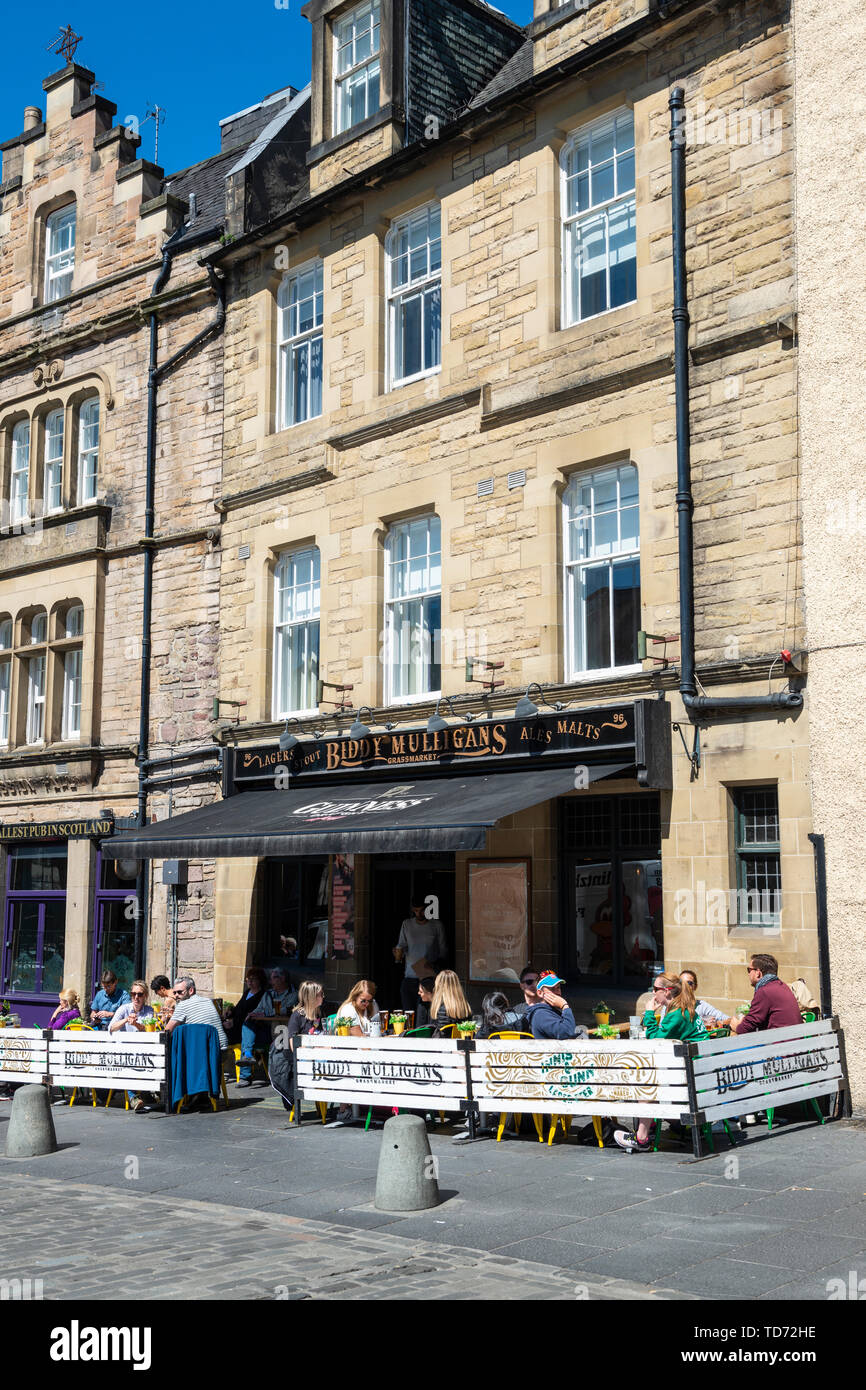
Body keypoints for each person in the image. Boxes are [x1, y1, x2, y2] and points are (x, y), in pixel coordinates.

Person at [614, 973, 709, 1152]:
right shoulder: (683, 1009)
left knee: (647, 1085)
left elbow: (655, 1040)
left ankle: (641, 1138)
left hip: (692, 1081)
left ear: (666, 992)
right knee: (651, 1079)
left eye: (655, 989)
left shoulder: (677, 1014)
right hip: (700, 1074)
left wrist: (649, 1013)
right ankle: (654, 1128)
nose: (653, 994)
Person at [394, 896, 448, 1013]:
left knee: (424, 1015)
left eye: (422, 910)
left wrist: (433, 965)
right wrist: (398, 954)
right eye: (416, 910)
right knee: (408, 1014)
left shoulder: (436, 925)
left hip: (428, 978)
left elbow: (443, 952)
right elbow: (401, 946)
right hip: (410, 976)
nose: (419, 913)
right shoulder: (407, 924)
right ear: (413, 910)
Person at [109, 980, 156, 1113]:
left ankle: (145, 1092)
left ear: (145, 996)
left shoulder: (149, 1011)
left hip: (141, 1052)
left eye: (140, 994)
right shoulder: (124, 1009)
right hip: (123, 1052)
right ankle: (133, 1097)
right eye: (133, 993)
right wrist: (126, 1020)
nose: (136, 997)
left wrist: (136, 1024)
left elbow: (148, 1030)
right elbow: (111, 1028)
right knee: (128, 1061)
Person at [731, 954, 802, 1034]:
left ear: (758, 973)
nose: (748, 974)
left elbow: (746, 1028)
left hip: (781, 1043)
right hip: (792, 1039)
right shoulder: (781, 986)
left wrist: (736, 1026)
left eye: (749, 970)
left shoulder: (765, 991)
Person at [231, 966, 270, 1087]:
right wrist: (230, 1013)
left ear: (260, 980)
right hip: (238, 1026)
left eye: (253, 979)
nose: (249, 981)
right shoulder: (247, 992)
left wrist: (234, 1022)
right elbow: (238, 1010)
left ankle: (245, 1075)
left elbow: (255, 1014)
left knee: (246, 1031)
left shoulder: (263, 995)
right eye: (248, 979)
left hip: (255, 1028)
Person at [165, 976, 228, 1049]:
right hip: (222, 1046)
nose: (176, 995)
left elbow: (167, 1031)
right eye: (174, 992)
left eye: (179, 992)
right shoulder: (208, 1001)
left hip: (207, 1050)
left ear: (191, 990)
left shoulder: (183, 1004)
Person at [525, 972, 579, 1041]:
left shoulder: (549, 1010)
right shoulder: (541, 1014)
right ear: (540, 993)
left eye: (558, 987)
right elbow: (568, 1033)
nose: (558, 992)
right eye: (552, 989)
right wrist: (564, 1005)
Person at [429, 970, 472, 1037]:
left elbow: (441, 1034)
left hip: (443, 1045)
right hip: (461, 1044)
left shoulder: (440, 1008)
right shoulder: (465, 1006)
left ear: (439, 985)